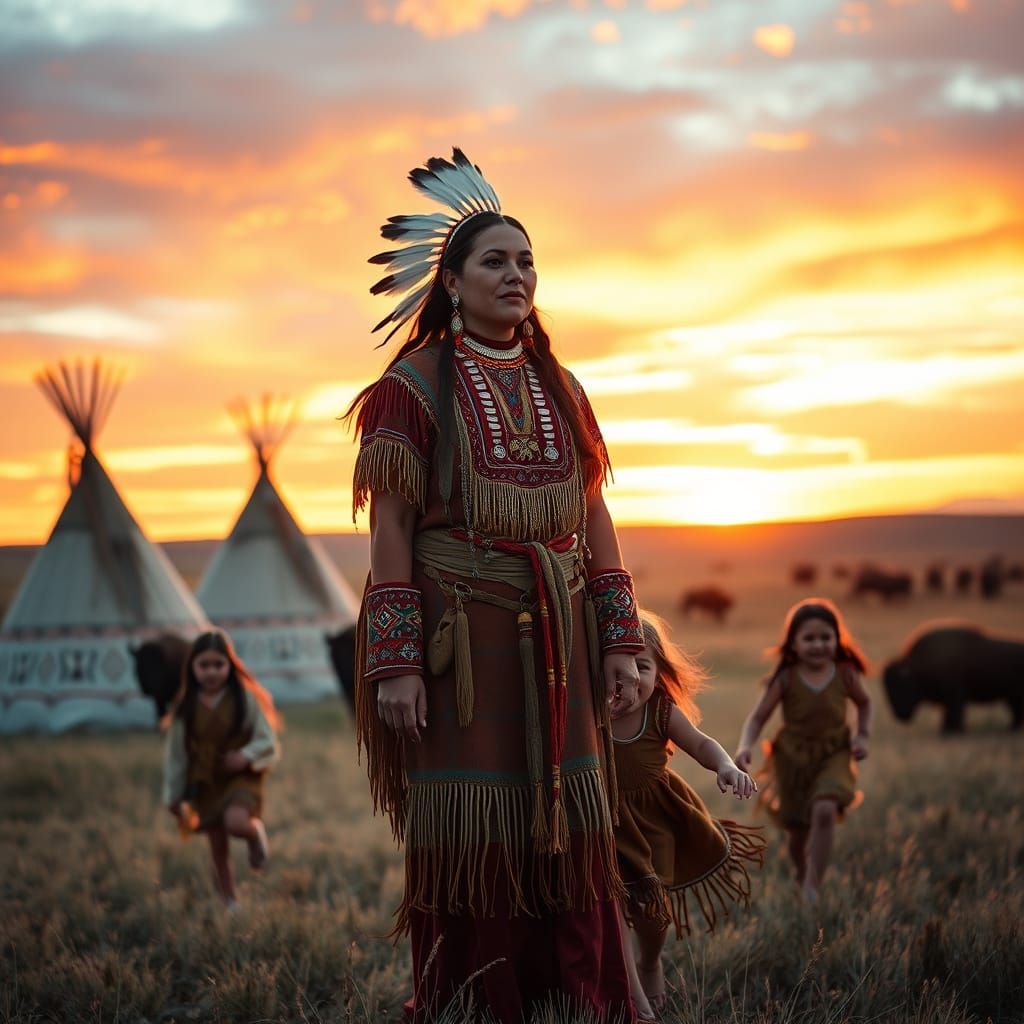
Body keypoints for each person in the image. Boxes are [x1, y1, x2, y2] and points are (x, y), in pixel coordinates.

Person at [347, 148, 646, 1023]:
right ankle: (480, 1000)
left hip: (563, 635)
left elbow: (593, 516)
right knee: (474, 821)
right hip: (461, 645)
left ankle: (580, 996)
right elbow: (391, 528)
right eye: (495, 261)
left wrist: (621, 639)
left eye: (526, 261)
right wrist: (396, 663)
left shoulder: (563, 386)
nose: (517, 275)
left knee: (574, 810)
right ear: (451, 281)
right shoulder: (410, 388)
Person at [612, 611, 764, 1020]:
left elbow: (700, 744)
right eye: (620, 665)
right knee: (613, 906)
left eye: (643, 666)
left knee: (651, 912)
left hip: (653, 822)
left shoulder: (659, 710)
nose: (630, 677)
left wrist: (726, 766)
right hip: (604, 823)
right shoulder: (586, 712)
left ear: (660, 672)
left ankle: (649, 962)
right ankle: (632, 995)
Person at [734, 598, 871, 904]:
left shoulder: (845, 673)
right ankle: (801, 871)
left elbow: (865, 703)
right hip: (792, 759)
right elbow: (757, 718)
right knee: (797, 833)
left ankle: (812, 886)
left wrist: (862, 735)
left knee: (824, 809)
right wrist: (745, 746)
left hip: (834, 753)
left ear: (837, 639)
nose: (818, 644)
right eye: (809, 638)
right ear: (793, 643)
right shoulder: (786, 678)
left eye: (826, 637)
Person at [162, 629, 281, 908]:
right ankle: (229, 902)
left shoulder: (244, 699)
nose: (211, 672)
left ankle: (254, 832)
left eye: (219, 664)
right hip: (206, 781)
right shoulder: (185, 708)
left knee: (235, 823)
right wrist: (173, 795)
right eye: (204, 665)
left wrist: (246, 755)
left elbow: (267, 739)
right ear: (192, 667)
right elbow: (176, 755)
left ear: (230, 665)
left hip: (241, 776)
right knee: (217, 846)